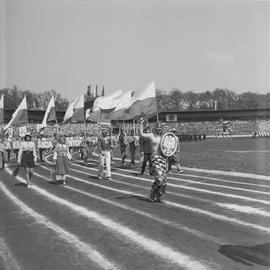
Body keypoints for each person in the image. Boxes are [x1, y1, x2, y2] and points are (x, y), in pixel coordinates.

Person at [139, 119, 168, 202]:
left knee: (163, 180)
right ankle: (153, 193)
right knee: (159, 177)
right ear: (155, 128)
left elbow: (169, 147)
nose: (159, 129)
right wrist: (141, 124)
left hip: (163, 158)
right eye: (157, 127)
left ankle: (157, 196)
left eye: (160, 127)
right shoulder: (151, 135)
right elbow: (141, 134)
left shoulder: (164, 136)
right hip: (155, 158)